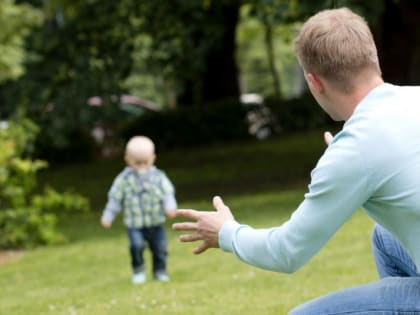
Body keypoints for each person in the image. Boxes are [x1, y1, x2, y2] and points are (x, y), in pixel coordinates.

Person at [172, 7, 420, 314]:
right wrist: (349, 167)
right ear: (375, 59)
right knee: (384, 238)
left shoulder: (355, 150)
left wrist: (226, 232)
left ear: (314, 82)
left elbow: (286, 252)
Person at [101, 135, 177, 284]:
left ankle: (160, 271)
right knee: (136, 246)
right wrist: (107, 216)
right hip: (134, 225)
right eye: (137, 163)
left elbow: (168, 194)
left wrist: (170, 208)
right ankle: (138, 270)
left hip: (155, 222)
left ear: (153, 158)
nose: (142, 166)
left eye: (145, 162)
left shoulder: (159, 177)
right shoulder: (123, 180)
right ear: (128, 160)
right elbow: (114, 200)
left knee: (160, 248)